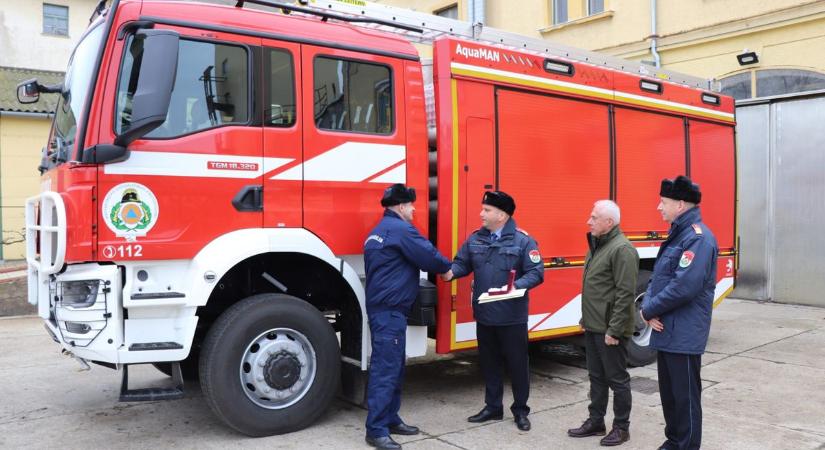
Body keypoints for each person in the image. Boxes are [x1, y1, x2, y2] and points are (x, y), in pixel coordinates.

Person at [442, 191, 544, 431]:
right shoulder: (476, 239)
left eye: (486, 210)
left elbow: (536, 273)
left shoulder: (523, 241)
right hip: (485, 316)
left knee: (517, 365)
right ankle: (493, 407)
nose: (481, 214)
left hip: (511, 318)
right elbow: (462, 263)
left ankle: (520, 410)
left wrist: (515, 286)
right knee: (489, 364)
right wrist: (450, 272)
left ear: (502, 215)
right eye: (483, 209)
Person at [363, 183, 452, 450]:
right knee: (386, 370)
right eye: (411, 205)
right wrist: (447, 269)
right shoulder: (401, 230)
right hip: (389, 311)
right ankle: (376, 429)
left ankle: (390, 419)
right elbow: (429, 257)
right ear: (401, 206)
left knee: (395, 367)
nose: (414, 210)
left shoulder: (379, 231)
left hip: (387, 310)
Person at [640, 176, 718, 450]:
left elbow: (684, 286)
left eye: (664, 202)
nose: (659, 207)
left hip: (683, 333)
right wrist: (646, 310)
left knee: (685, 397)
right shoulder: (678, 236)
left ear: (681, 205)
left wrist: (649, 308)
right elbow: (656, 279)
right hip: (666, 329)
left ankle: (686, 445)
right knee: (670, 396)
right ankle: (674, 441)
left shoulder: (699, 239)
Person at [568, 200, 638, 446]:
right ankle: (596, 421)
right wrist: (585, 318)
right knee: (596, 377)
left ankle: (622, 427)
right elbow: (596, 290)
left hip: (611, 330)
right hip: (594, 325)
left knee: (617, 379)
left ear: (609, 223)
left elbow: (625, 294)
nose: (589, 221)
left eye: (594, 217)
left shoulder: (623, 249)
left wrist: (615, 330)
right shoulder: (596, 246)